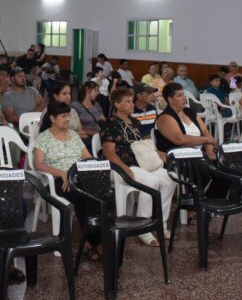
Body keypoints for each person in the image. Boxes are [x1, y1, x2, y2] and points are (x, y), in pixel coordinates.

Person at [100, 88, 176, 246]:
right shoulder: (110, 123)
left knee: (170, 178)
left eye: (131, 100)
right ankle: (143, 228)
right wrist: (124, 168)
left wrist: (157, 153)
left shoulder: (135, 122)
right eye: (127, 101)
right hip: (121, 166)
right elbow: (108, 152)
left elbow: (143, 144)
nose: (132, 104)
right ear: (116, 104)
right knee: (151, 182)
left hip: (141, 164)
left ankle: (160, 223)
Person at [33, 101, 101, 260]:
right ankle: (95, 244)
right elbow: (38, 164)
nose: (67, 119)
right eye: (63, 116)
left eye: (68, 115)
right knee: (84, 199)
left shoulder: (74, 135)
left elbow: (88, 157)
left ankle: (98, 239)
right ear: (52, 118)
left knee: (99, 195)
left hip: (78, 177)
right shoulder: (44, 138)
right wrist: (61, 173)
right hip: (56, 181)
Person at [155, 83, 217, 160]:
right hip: (180, 158)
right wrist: (206, 139)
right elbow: (180, 140)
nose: (184, 98)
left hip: (200, 155)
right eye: (179, 96)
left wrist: (209, 151)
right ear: (170, 99)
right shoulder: (165, 117)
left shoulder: (189, 112)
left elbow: (207, 134)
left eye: (183, 94)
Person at [71, 80, 105, 145]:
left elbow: (103, 119)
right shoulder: (75, 106)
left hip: (98, 136)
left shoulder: (96, 104)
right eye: (95, 90)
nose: (97, 93)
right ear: (87, 90)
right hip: (85, 137)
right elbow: (73, 126)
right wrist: (88, 132)